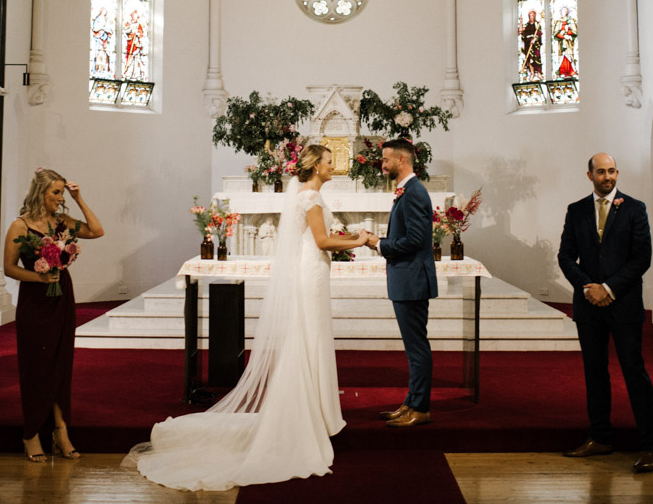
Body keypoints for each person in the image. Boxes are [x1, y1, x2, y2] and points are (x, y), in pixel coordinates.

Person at [124, 144, 369, 489]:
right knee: (309, 337)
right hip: (311, 272)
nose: (334, 167)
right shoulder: (311, 198)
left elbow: (321, 238)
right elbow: (321, 241)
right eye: (330, 163)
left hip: (313, 270)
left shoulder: (309, 196)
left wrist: (350, 238)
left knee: (310, 337)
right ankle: (308, 416)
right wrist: (358, 239)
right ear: (316, 166)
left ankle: (313, 412)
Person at [558, 153, 653, 473]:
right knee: (594, 372)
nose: (608, 176)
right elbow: (565, 256)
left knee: (634, 372)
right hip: (589, 306)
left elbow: (641, 258)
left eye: (612, 171)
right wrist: (589, 286)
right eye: (601, 172)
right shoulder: (576, 210)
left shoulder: (634, 208)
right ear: (589, 175)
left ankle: (651, 446)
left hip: (624, 304)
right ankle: (600, 437)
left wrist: (609, 288)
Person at [4, 169, 105, 462]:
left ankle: (60, 431)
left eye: (62, 192)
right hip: (35, 301)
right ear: (40, 193)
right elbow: (10, 268)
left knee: (61, 364)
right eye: (56, 193)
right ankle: (31, 433)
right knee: (36, 366)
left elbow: (97, 231)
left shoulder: (63, 223)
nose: (60, 199)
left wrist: (79, 198)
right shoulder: (19, 226)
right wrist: (40, 279)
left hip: (62, 297)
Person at [364, 138, 437, 427]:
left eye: (386, 160)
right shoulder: (408, 191)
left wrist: (378, 244)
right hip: (407, 278)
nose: (382, 165)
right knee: (413, 348)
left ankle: (420, 408)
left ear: (402, 160)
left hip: (412, 280)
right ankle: (411, 403)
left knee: (417, 348)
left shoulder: (415, 192)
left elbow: (416, 240)